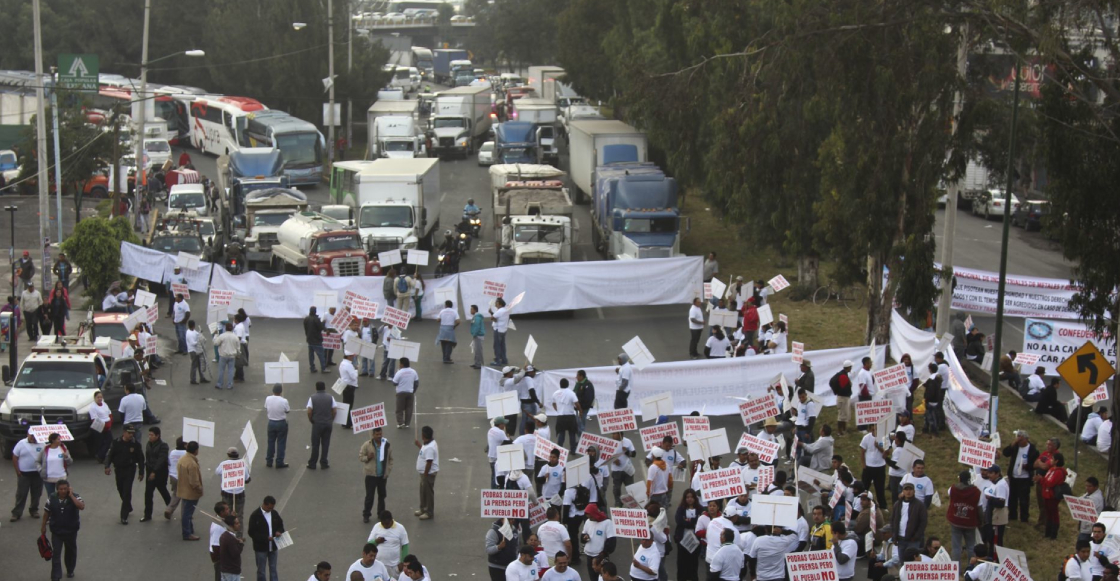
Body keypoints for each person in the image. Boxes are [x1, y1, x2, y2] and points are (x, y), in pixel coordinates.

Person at [40, 479, 84, 581]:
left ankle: (70, 569)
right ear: (57, 490)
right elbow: (46, 513)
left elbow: (81, 506)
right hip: (57, 531)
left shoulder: (75, 496)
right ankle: (56, 576)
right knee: (56, 554)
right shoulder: (52, 498)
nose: (63, 491)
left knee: (70, 552)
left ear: (68, 489)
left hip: (71, 531)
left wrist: (71, 495)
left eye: (65, 489)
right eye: (61, 489)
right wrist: (43, 527)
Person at [104, 424, 144, 525]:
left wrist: (141, 472)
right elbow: (110, 454)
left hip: (130, 469)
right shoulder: (116, 443)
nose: (131, 435)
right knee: (120, 488)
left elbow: (140, 459)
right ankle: (128, 506)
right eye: (129, 433)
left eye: (132, 433)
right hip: (119, 469)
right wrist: (107, 466)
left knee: (127, 491)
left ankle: (124, 516)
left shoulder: (135, 444)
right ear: (124, 432)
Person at [1001, 429, 1038, 523]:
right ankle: (1012, 515)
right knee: (1012, 497)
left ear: (1026, 439)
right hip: (1013, 476)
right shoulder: (1015, 446)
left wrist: (1027, 466)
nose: (1019, 442)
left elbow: (1035, 465)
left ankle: (1024, 518)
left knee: (1024, 499)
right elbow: (1005, 453)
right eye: (1018, 439)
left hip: (1024, 478)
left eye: (1021, 440)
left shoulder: (1032, 450)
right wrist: (1014, 443)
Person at [360, 426, 393, 523]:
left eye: (380, 434)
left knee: (382, 495)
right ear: (373, 435)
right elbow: (361, 457)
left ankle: (381, 513)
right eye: (377, 434)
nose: (379, 436)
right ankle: (366, 514)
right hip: (371, 475)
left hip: (382, 475)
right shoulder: (367, 445)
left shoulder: (386, 445)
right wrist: (368, 457)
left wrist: (388, 469)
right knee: (369, 496)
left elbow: (391, 459)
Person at [247, 495, 285, 581]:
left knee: (273, 568)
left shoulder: (274, 513)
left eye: (272, 508)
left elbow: (281, 525)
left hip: (273, 546)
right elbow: (251, 532)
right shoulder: (255, 515)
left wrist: (279, 531)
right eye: (269, 508)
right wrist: (265, 538)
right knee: (261, 570)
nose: (270, 510)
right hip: (261, 548)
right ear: (264, 504)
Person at [138, 426, 171, 522]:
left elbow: (161, 460)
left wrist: (154, 472)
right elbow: (148, 458)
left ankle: (170, 508)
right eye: (149, 435)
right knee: (148, 494)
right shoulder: (149, 444)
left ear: (157, 436)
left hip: (160, 473)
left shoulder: (163, 445)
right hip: (150, 471)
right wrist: (144, 471)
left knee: (163, 491)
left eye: (152, 435)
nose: (149, 437)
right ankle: (147, 515)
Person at [11, 432, 45, 522]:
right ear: (27, 434)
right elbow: (15, 457)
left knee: (36, 494)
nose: (33, 437)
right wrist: (17, 470)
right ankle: (16, 513)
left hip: (37, 474)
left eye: (35, 436)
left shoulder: (42, 444)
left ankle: (34, 510)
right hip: (24, 474)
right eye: (31, 435)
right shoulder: (21, 443)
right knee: (21, 494)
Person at [307, 381, 340, 469]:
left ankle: (312, 463)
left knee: (315, 444)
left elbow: (309, 411)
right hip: (328, 423)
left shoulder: (312, 398)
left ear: (316, 388)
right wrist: (331, 419)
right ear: (324, 387)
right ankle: (324, 462)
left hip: (317, 424)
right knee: (325, 443)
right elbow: (335, 410)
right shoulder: (330, 397)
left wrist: (311, 420)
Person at [891, 483, 928, 558]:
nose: (908, 492)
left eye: (910, 489)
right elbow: (892, 520)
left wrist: (916, 536)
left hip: (913, 540)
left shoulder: (920, 505)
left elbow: (923, 522)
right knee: (902, 562)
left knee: (913, 564)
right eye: (906, 489)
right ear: (903, 491)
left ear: (914, 491)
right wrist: (894, 536)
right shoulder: (897, 504)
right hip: (900, 539)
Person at [176, 440, 204, 541]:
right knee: (187, 514)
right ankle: (187, 533)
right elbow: (194, 481)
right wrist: (199, 488)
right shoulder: (192, 464)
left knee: (186, 512)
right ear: (196, 450)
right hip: (190, 492)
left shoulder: (182, 459)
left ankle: (189, 529)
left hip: (183, 490)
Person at [979, 465, 1008, 553]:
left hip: (998, 515)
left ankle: (995, 558)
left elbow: (1001, 503)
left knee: (996, 539)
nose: (988, 475)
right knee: (991, 537)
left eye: (991, 473)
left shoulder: (1000, 485)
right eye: (988, 473)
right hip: (994, 514)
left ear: (997, 474)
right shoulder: (996, 483)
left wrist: (990, 498)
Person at [1041, 452, 1068, 539]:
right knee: (1048, 513)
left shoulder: (1059, 472)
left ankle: (1053, 534)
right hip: (1047, 495)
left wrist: (1042, 480)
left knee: (1053, 513)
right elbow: (1046, 481)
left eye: (1052, 459)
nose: (1050, 460)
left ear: (1056, 461)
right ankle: (1047, 532)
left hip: (1052, 496)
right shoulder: (1051, 469)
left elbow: (1050, 483)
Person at [860, 423, 887, 505]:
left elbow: (886, 453)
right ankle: (861, 503)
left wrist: (879, 447)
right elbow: (862, 452)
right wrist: (864, 465)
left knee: (880, 488)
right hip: (868, 467)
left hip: (880, 467)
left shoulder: (884, 437)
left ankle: (882, 505)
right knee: (864, 488)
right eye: (874, 428)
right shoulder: (866, 438)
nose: (875, 430)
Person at [415, 425, 438, 520]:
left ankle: (429, 512)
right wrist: (419, 445)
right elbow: (424, 453)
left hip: (428, 474)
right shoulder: (428, 443)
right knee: (423, 491)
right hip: (425, 473)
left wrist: (425, 474)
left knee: (428, 492)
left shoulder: (430, 447)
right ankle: (423, 508)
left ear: (423, 435)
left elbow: (429, 462)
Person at [265, 384, 290, 468]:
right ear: (281, 391)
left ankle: (269, 461)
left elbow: (266, 407)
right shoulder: (284, 401)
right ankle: (279, 461)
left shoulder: (268, 399)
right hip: (281, 423)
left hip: (271, 422)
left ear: (273, 390)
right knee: (281, 443)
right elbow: (287, 411)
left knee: (270, 442)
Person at [553, 378, 581, 454]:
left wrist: (558, 410)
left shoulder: (555, 393)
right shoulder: (571, 393)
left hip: (560, 416)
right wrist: (580, 412)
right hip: (570, 416)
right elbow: (577, 404)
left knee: (561, 434)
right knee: (572, 434)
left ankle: (559, 450)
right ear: (568, 385)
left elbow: (553, 403)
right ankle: (573, 450)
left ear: (560, 384)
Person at [830, 361, 854, 436]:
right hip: (843, 398)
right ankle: (840, 431)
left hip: (843, 398)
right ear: (848, 367)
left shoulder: (843, 375)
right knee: (841, 416)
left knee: (844, 415)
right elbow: (843, 388)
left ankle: (843, 430)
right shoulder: (843, 376)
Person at [394, 357, 418, 429]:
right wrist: (413, 390)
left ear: (402, 364)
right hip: (410, 392)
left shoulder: (399, 372)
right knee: (409, 408)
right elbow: (416, 383)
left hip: (401, 392)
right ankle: (407, 423)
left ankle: (400, 423)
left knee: (399, 409)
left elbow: (394, 383)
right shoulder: (413, 371)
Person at [218, 514, 244, 581]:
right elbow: (235, 554)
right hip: (231, 571)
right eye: (237, 523)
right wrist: (240, 544)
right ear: (230, 526)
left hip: (226, 569)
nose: (239, 525)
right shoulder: (230, 538)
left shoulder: (224, 536)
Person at [215, 322, 240, 390]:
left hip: (223, 355)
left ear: (225, 328)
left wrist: (216, 335)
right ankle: (230, 384)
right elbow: (238, 347)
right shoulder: (235, 337)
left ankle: (219, 384)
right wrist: (238, 354)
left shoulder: (222, 336)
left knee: (221, 370)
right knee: (231, 371)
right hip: (232, 356)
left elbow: (216, 343)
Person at [1079, 477, 1105, 543]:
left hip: (1090, 527)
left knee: (1083, 545)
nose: (1087, 488)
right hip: (1085, 525)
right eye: (1086, 486)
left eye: (1089, 486)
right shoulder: (1089, 494)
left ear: (1096, 487)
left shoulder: (1096, 498)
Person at [304, 306, 328, 373]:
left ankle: (312, 368)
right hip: (317, 339)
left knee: (311, 355)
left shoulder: (306, 319)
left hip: (309, 339)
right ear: (315, 311)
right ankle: (323, 368)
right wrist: (323, 323)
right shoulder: (316, 319)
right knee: (321, 355)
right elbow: (320, 327)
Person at [340, 352, 360, 429]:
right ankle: (348, 423)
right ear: (348, 356)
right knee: (349, 405)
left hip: (345, 385)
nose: (353, 357)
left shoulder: (343, 363)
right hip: (349, 386)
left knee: (345, 404)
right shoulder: (348, 365)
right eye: (352, 356)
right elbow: (354, 377)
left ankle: (344, 422)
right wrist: (356, 370)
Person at [573, 370, 595, 437]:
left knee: (581, 425)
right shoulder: (578, 384)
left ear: (581, 376)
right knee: (578, 424)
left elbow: (588, 399)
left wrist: (581, 409)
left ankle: (582, 440)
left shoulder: (588, 385)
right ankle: (580, 440)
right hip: (578, 407)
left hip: (582, 408)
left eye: (577, 376)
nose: (576, 377)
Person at [490, 297, 511, 366]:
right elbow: (497, 318)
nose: (495, 303)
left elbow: (493, 318)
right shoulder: (506, 310)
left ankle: (498, 360)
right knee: (502, 345)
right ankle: (504, 359)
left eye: (496, 302)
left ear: (500, 304)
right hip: (503, 330)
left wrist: (491, 313)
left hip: (498, 330)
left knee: (497, 346)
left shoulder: (499, 311)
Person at [470, 304, 486, 369]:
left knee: (478, 350)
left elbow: (477, 327)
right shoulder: (476, 317)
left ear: (475, 310)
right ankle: (476, 362)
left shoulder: (476, 318)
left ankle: (478, 364)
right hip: (477, 335)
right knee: (476, 350)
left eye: (471, 309)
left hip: (478, 335)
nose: (470, 311)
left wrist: (474, 334)